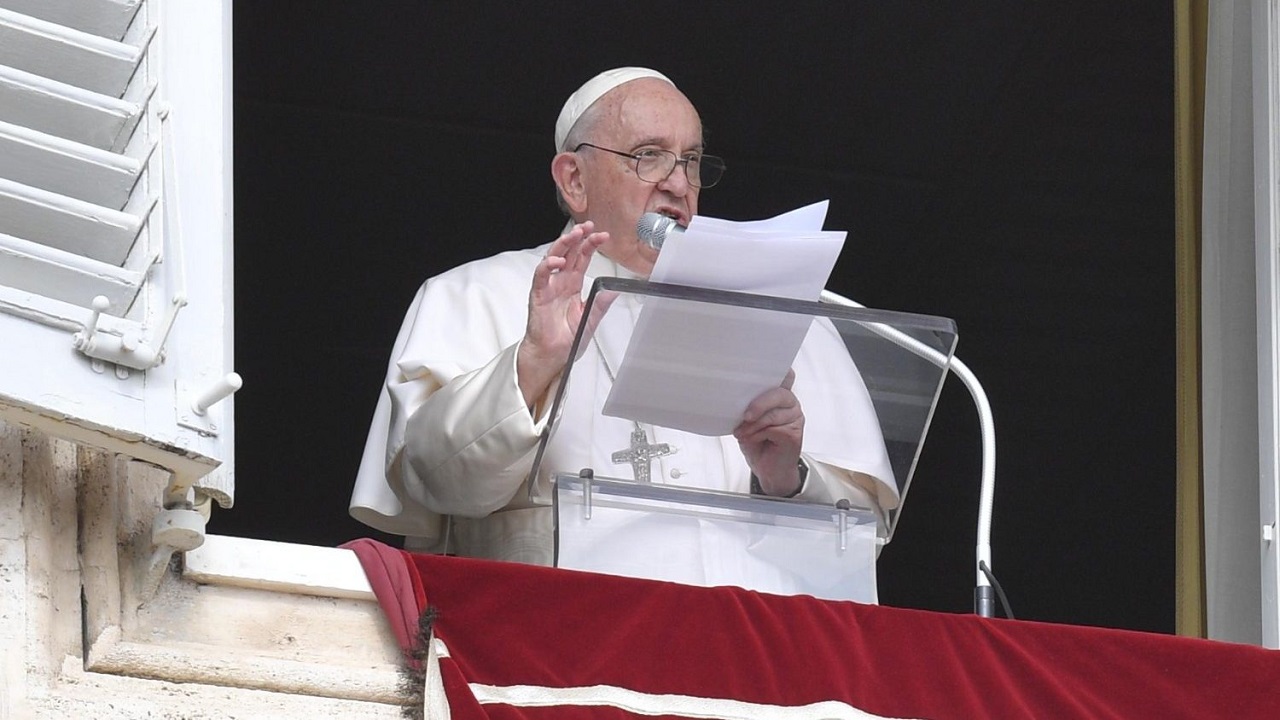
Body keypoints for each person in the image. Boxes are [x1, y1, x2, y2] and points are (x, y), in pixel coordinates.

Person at [349, 67, 897, 570]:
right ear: (574, 181)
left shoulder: (786, 310)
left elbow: (860, 543)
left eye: (690, 161)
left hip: (736, 659)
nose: (679, 184)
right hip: (543, 657)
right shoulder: (473, 294)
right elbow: (439, 485)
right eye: (648, 156)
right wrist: (534, 363)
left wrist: (786, 479)